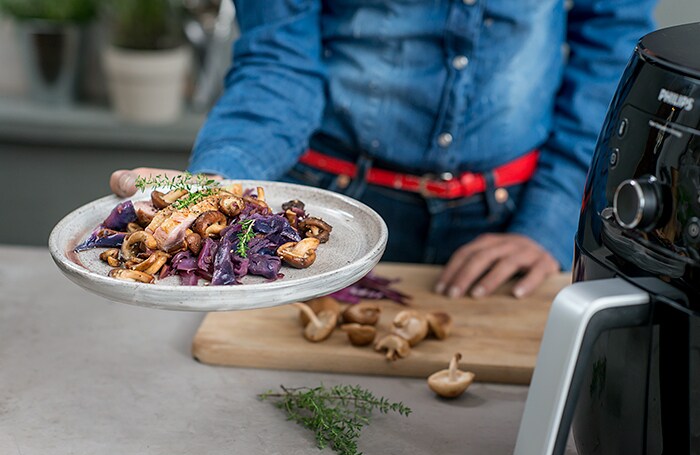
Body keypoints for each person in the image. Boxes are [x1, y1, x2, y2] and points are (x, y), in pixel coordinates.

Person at [110, 0, 657, 298]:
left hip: (511, 217)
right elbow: (278, 64)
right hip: (328, 216)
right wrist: (219, 179)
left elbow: (609, 59)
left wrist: (554, 219)